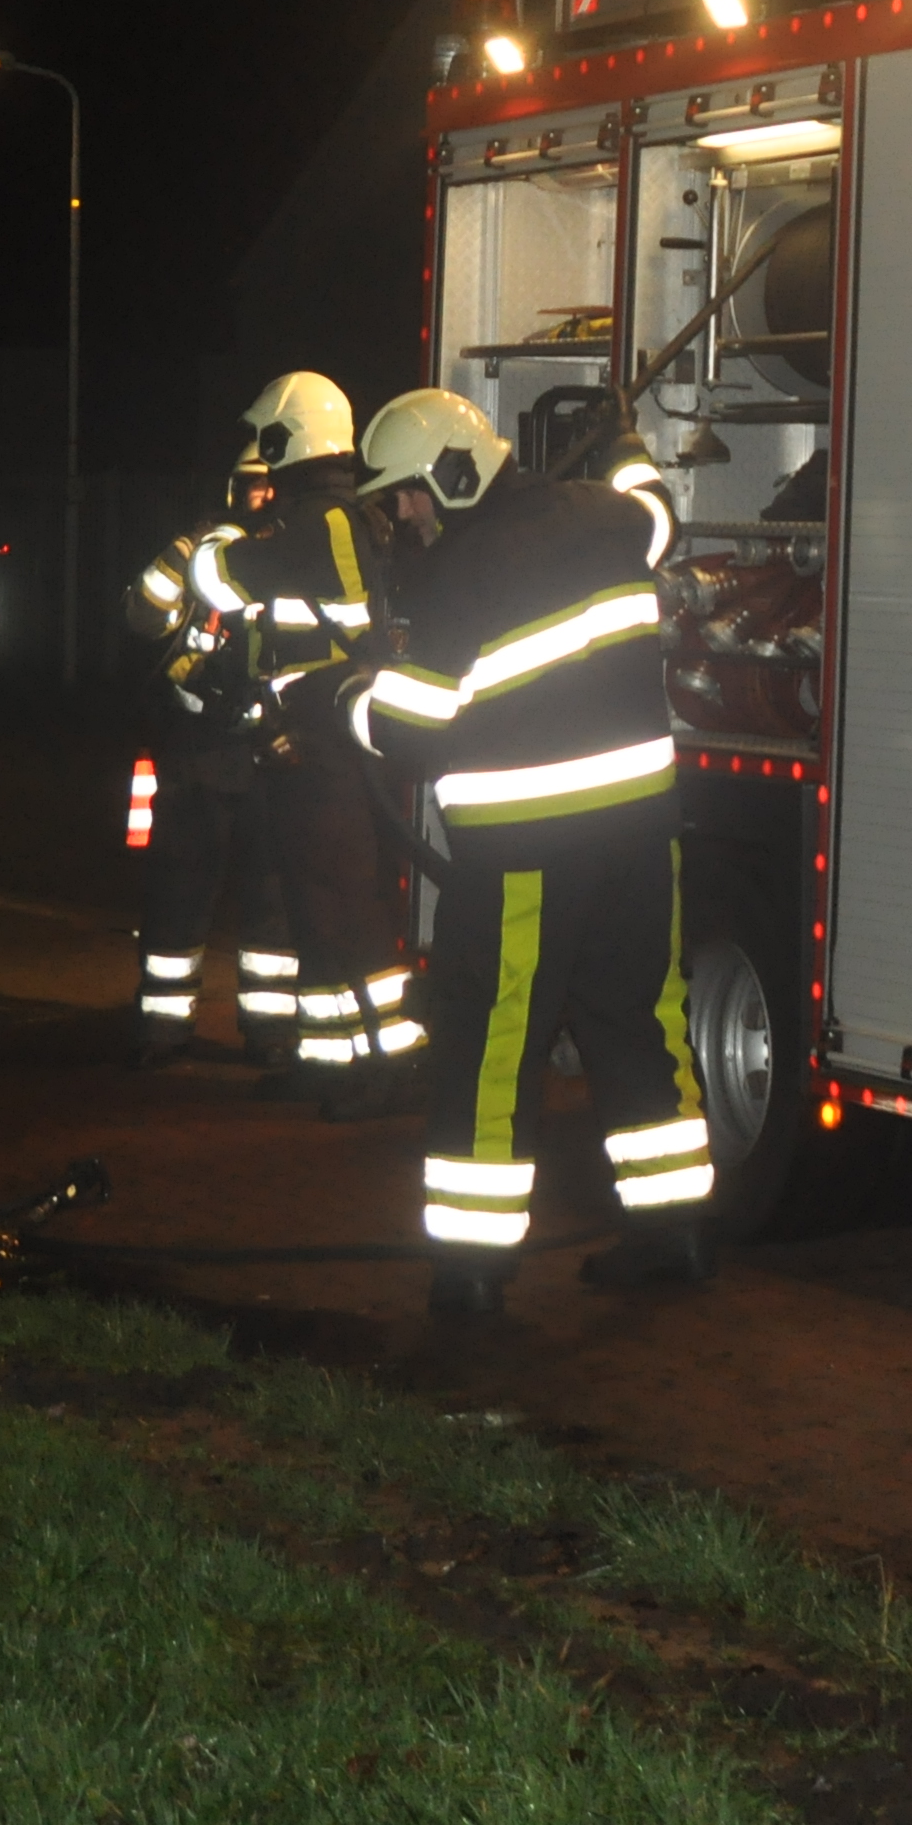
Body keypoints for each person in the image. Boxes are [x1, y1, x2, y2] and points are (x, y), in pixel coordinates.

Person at [323, 388, 703, 1314]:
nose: (401, 514)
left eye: (407, 493)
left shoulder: (461, 573)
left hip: (526, 855)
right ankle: (676, 1236)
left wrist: (346, 700)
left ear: (453, 474)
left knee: (492, 1045)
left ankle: (472, 1271)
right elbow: (659, 509)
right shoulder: (611, 516)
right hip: (640, 841)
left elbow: (413, 731)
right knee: (642, 1023)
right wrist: (622, 441)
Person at [206, 371, 420, 1111]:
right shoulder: (326, 518)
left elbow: (226, 577)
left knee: (343, 907)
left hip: (326, 741)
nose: (262, 453)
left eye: (268, 439)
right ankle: (331, 1062)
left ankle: (386, 1068)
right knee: (318, 908)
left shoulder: (323, 522)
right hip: (314, 738)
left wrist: (211, 545)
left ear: (289, 438)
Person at [119, 460, 300, 1066]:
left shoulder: (299, 548)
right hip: (199, 746)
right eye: (252, 484)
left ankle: (270, 1031)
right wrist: (187, 552)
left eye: (272, 484)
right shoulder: (200, 549)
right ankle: (163, 1025)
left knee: (272, 896)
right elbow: (143, 616)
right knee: (179, 887)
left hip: (272, 750)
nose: (262, 496)